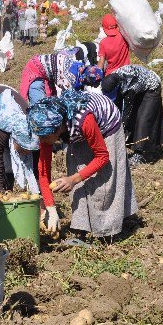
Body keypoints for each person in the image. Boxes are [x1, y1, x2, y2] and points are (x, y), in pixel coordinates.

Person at [28, 90, 137, 237]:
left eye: (45, 137)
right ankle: (83, 227)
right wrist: (51, 208)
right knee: (76, 171)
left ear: (58, 128)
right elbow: (43, 173)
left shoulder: (84, 120)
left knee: (104, 180)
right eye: (40, 137)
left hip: (107, 123)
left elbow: (102, 156)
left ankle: (107, 230)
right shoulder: (46, 130)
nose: (42, 142)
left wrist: (73, 179)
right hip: (74, 130)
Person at [101, 65, 163, 166]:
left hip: (151, 88)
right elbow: (115, 106)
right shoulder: (110, 80)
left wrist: (119, 131)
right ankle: (131, 147)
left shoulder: (129, 82)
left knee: (143, 120)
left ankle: (139, 155)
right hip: (139, 89)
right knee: (132, 120)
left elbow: (126, 112)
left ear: (118, 86)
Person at [19, 47, 89, 104]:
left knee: (50, 99)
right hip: (34, 70)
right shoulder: (66, 77)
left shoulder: (77, 66)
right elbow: (68, 98)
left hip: (45, 72)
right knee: (39, 107)